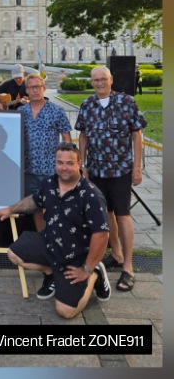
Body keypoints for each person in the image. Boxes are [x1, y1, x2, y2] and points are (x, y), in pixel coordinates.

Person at [0, 143, 111, 317]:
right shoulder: (49, 183)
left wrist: (87, 268)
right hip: (50, 243)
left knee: (65, 312)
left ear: (79, 163)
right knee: (13, 253)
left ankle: (95, 275)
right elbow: (35, 201)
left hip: (76, 257)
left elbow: (101, 235)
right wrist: (11, 209)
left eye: (69, 163)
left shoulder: (91, 195)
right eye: (60, 162)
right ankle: (52, 274)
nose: (64, 168)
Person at [75, 65, 146, 292]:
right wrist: (82, 165)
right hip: (96, 171)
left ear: (111, 79)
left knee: (123, 215)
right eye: (95, 80)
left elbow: (137, 135)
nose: (99, 83)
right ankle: (115, 254)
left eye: (103, 79)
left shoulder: (126, 102)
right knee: (106, 215)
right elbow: (83, 135)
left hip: (121, 170)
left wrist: (137, 168)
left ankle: (128, 266)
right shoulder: (87, 105)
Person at [17, 73, 72, 230]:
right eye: (31, 87)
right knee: (36, 209)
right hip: (28, 170)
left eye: (37, 87)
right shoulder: (21, 111)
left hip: (50, 170)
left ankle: (57, 242)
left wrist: (68, 164)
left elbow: (66, 137)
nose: (35, 90)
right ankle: (44, 242)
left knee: (53, 208)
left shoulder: (57, 110)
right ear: (26, 90)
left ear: (44, 88)